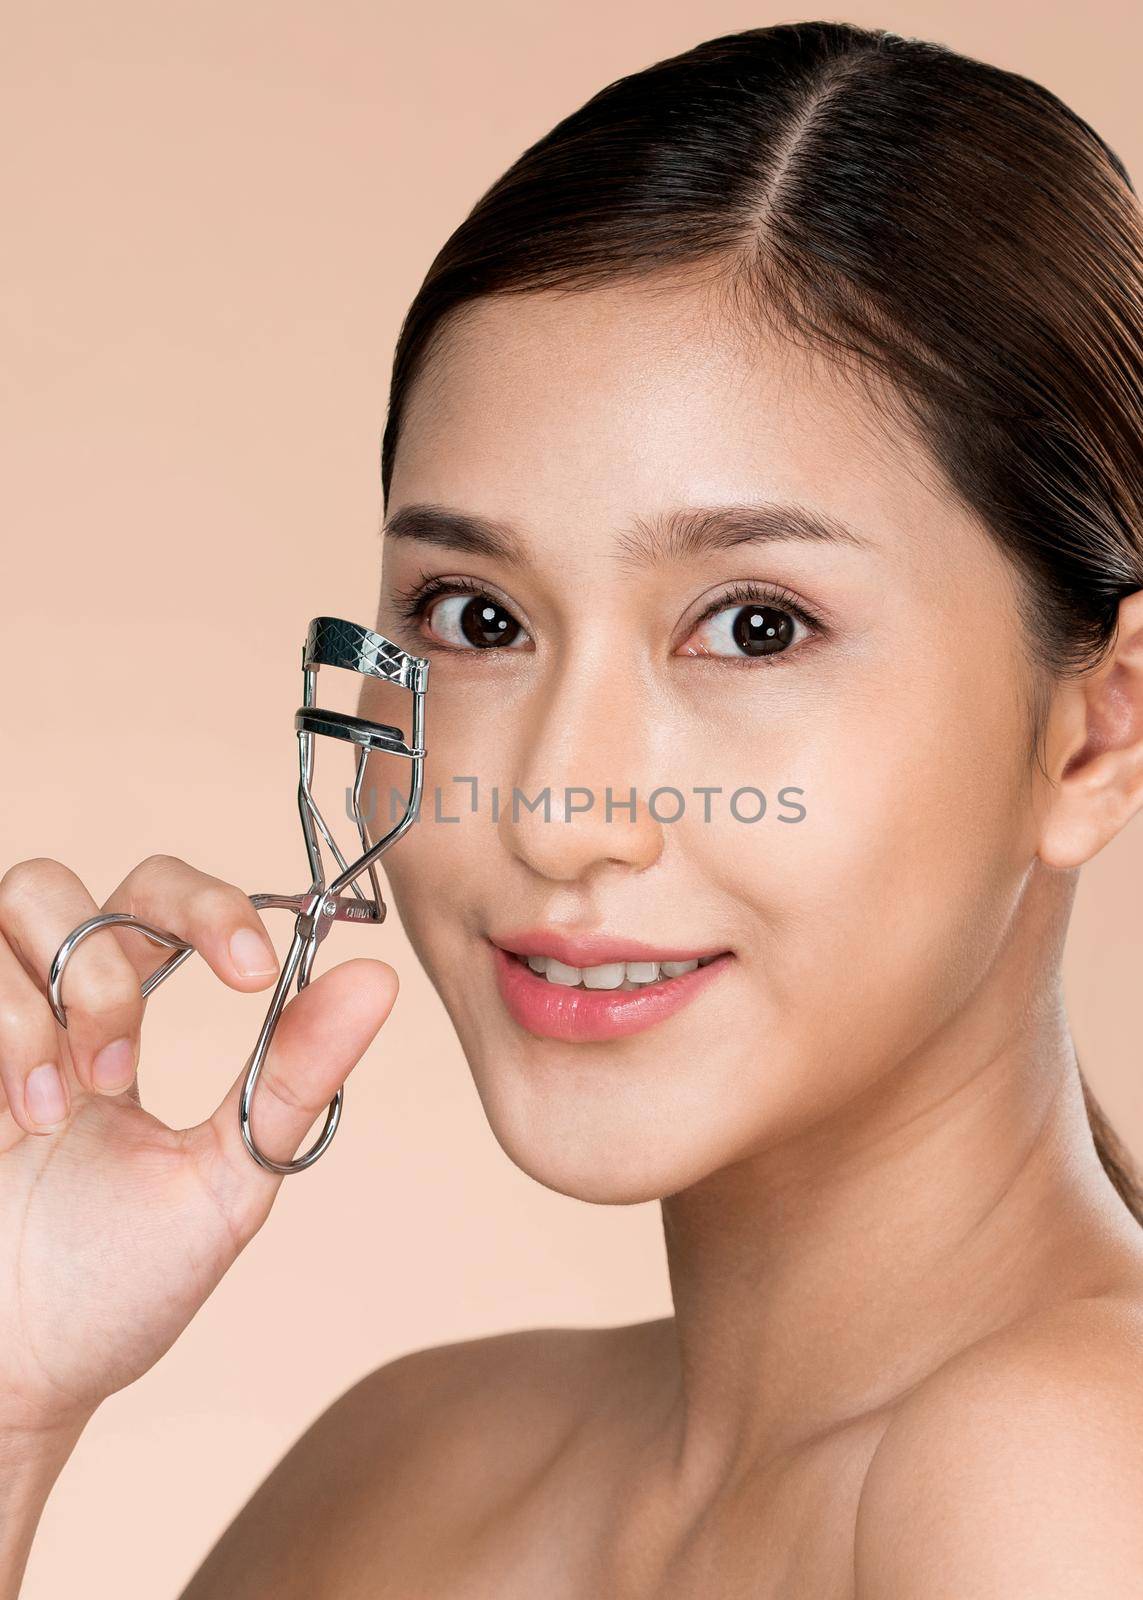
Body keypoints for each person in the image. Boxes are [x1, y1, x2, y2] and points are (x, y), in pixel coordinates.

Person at [4, 19, 1143, 1597]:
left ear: (1100, 731)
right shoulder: (406, 1470)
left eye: (753, 625)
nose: (554, 810)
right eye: (477, 619)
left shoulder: (1068, 1472)